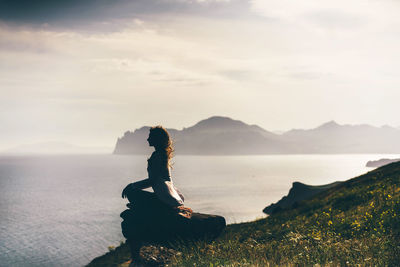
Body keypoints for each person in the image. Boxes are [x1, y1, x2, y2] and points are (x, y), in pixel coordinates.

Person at [121, 126, 189, 262]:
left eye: (150, 136)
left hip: (164, 200)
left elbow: (153, 181)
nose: (147, 139)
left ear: (157, 139)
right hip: (170, 198)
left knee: (132, 193)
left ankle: (136, 259)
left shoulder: (157, 155)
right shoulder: (162, 154)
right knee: (134, 195)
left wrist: (132, 186)